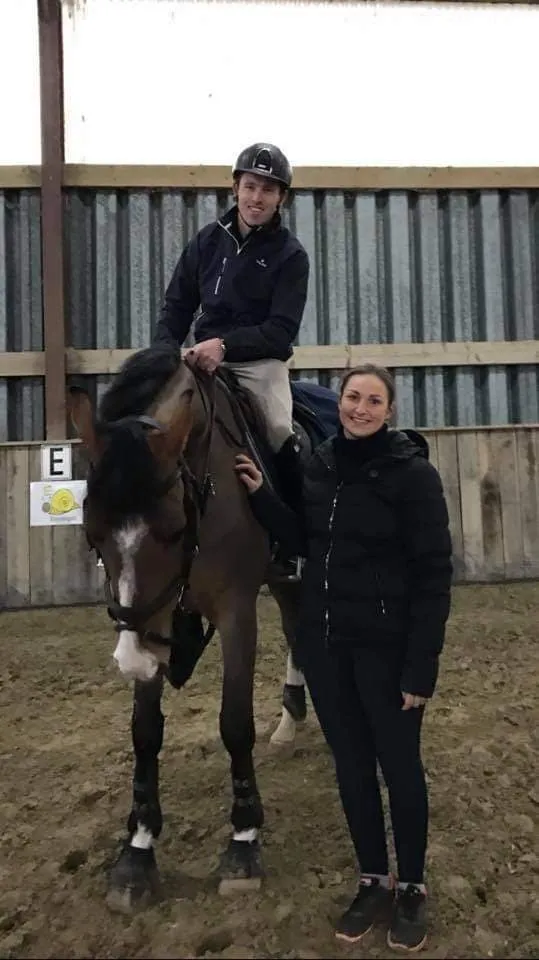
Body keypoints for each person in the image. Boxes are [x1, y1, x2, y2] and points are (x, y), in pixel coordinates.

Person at [234, 363, 453, 953]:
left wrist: (420, 669)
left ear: (389, 410)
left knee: (400, 768)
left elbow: (435, 578)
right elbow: (305, 539)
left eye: (372, 400)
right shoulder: (322, 465)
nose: (359, 408)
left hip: (388, 651)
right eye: (352, 397)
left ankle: (411, 887)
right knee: (352, 769)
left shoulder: (413, 478)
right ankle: (372, 879)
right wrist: (260, 496)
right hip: (328, 650)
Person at [154, 142, 309, 525]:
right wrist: (161, 356)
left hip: (258, 363)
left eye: (268, 189)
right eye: (251, 186)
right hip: (200, 358)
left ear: (281, 198)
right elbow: (176, 306)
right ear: (235, 187)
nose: (257, 198)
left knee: (278, 430)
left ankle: (293, 533)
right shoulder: (206, 241)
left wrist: (226, 345)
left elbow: (280, 330)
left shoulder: (291, 255)